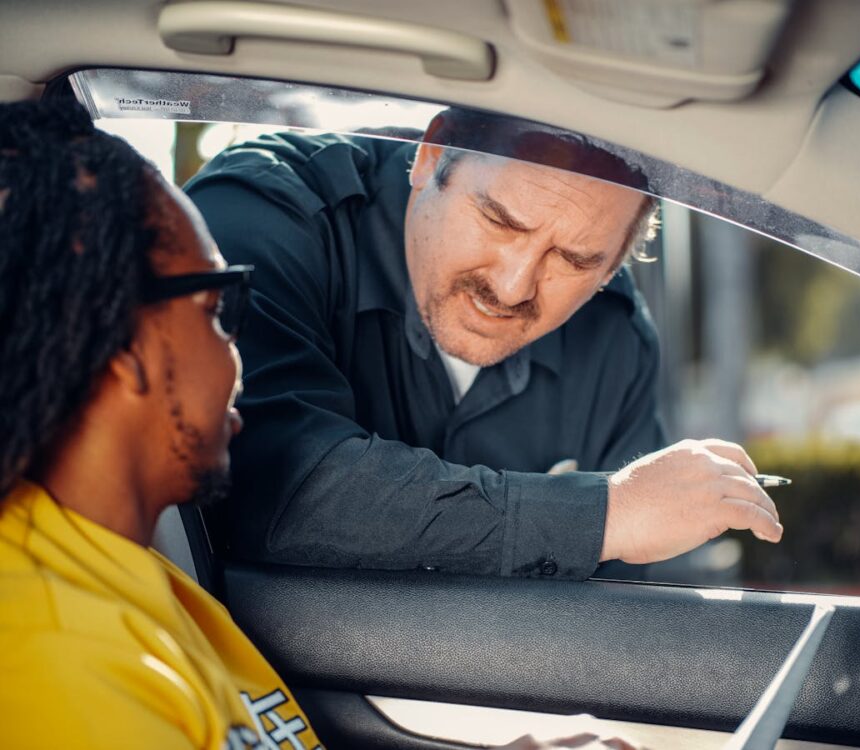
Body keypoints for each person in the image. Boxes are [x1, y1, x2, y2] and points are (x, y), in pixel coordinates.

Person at [0, 99, 633, 750]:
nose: (244, 363)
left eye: (575, 259)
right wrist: (603, 511)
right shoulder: (56, 651)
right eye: (220, 313)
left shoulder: (156, 590)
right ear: (127, 342)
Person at [186, 109, 783, 579]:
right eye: (500, 220)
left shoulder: (616, 342)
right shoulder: (265, 215)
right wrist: (603, 512)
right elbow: (280, 490)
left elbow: (613, 616)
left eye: (574, 260)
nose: (512, 284)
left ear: (614, 265)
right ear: (432, 155)